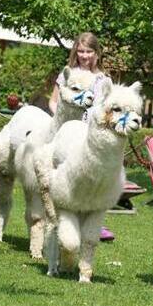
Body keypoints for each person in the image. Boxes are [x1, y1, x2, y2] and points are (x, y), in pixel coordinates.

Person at [48, 32, 115, 242]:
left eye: (89, 51)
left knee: (92, 179)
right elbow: (53, 102)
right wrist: (62, 120)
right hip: (66, 135)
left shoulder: (104, 80)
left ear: (97, 53)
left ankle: (93, 221)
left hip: (90, 137)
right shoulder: (67, 74)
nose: (85, 56)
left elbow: (107, 109)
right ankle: (59, 217)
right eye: (81, 51)